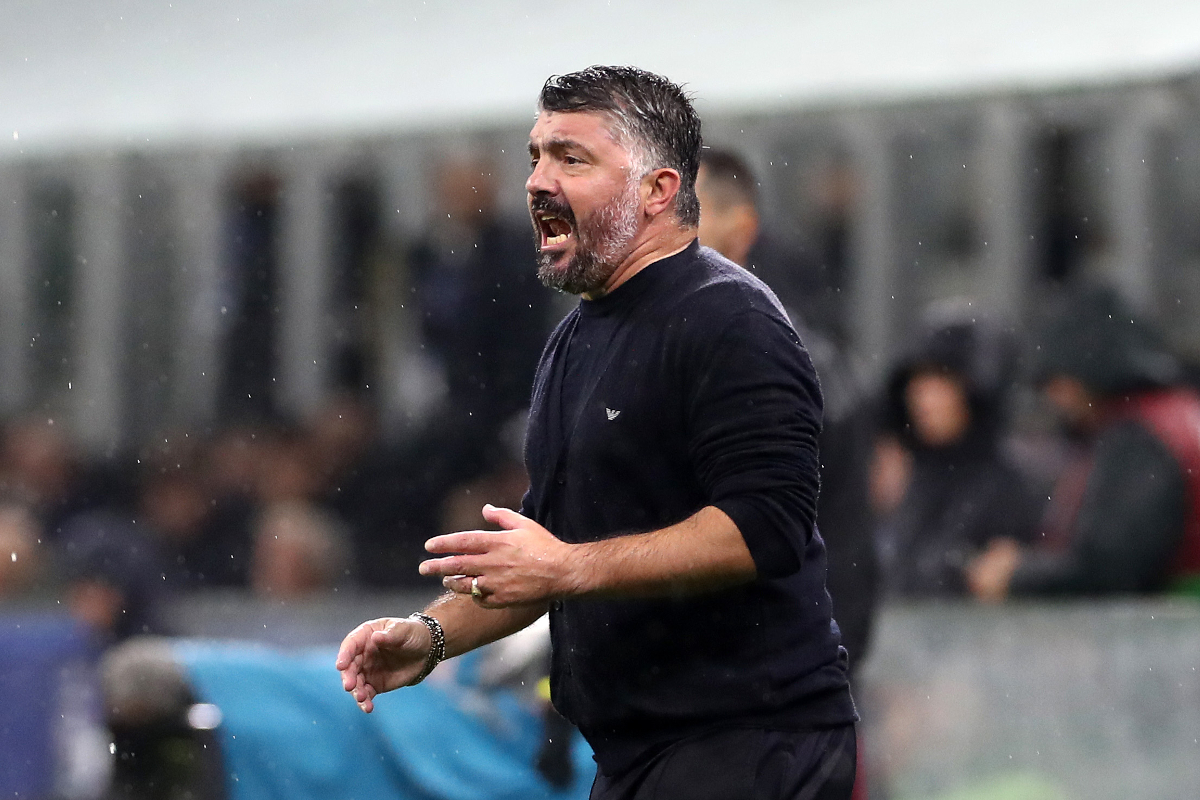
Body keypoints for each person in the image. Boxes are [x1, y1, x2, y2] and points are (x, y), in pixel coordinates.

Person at [337, 66, 858, 799]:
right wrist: (432, 637)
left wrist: (565, 568)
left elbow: (765, 528)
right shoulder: (574, 340)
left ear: (658, 190)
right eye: (535, 157)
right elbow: (549, 552)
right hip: (639, 754)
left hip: (752, 743)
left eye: (571, 159)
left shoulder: (730, 321)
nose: (537, 182)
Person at [696, 148, 878, 672]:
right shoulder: (789, 344)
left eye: (682, 210)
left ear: (740, 230)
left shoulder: (766, 359)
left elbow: (760, 533)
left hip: (769, 670)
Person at [968, 287, 1200, 599]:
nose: (1053, 399)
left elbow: (1112, 566)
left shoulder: (1138, 437)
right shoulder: (1180, 413)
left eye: (1056, 382)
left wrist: (1019, 574)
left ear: (1087, 373)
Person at [875, 311, 1042, 598]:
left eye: (942, 380)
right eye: (918, 381)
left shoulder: (1011, 486)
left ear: (976, 391)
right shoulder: (916, 477)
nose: (923, 398)